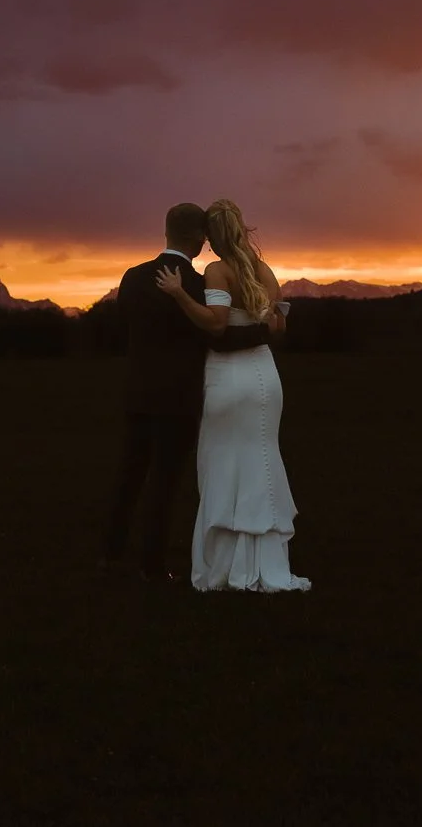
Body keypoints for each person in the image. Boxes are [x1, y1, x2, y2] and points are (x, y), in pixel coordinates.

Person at [102, 203, 271, 583]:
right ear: (200, 239)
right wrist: (266, 332)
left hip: (137, 393)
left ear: (165, 232)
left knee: (128, 475)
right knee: (164, 482)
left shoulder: (132, 277)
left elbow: (121, 327)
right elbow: (220, 337)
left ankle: (109, 555)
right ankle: (151, 566)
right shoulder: (197, 285)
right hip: (177, 399)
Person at [155, 199, 310, 592]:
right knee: (262, 457)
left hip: (228, 379)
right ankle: (265, 563)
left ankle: (225, 567)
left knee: (223, 462)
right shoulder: (264, 271)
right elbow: (277, 327)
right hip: (265, 376)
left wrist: (179, 294)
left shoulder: (216, 271)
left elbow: (216, 324)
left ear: (211, 237)